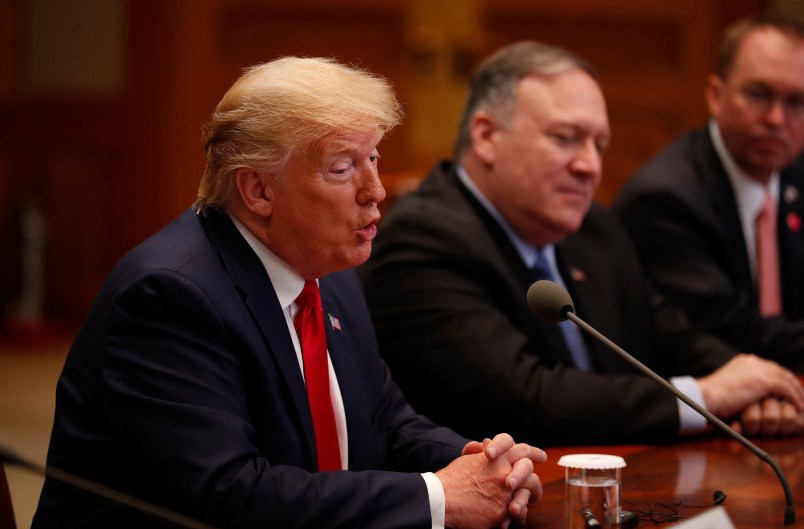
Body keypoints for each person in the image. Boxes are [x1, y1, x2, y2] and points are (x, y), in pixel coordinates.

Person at [31, 57, 547, 529]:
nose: (376, 190)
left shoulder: (330, 269)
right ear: (258, 190)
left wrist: (481, 466)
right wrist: (438, 497)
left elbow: (384, 420)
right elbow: (230, 495)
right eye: (343, 168)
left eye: (374, 158)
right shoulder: (170, 298)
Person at [360, 40, 804, 448]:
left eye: (599, 145)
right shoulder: (422, 241)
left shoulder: (593, 228)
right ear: (487, 135)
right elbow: (525, 399)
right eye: (566, 138)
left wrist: (757, 385)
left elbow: (669, 333)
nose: (590, 166)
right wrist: (708, 395)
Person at [614, 15, 804, 374]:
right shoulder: (666, 198)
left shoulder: (795, 175)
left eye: (796, 102)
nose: (778, 119)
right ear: (716, 95)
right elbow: (731, 331)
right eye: (759, 95)